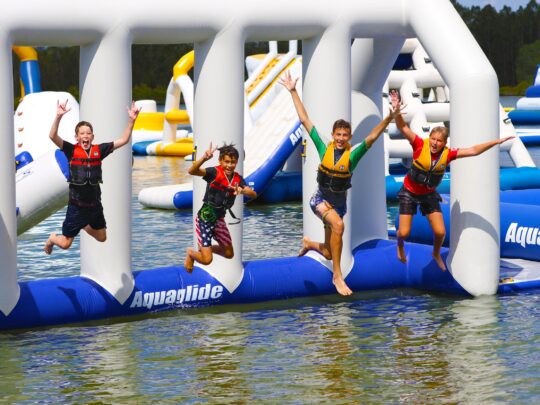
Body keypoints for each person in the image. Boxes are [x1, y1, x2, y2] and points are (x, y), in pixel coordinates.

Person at [279, 71, 401, 296]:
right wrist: (293, 91)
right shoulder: (323, 147)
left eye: (345, 135)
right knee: (339, 226)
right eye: (338, 134)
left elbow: (373, 137)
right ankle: (337, 276)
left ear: (350, 137)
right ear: (333, 135)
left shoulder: (353, 155)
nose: (341, 138)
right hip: (319, 200)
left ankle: (310, 244)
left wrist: (390, 117)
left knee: (327, 251)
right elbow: (305, 120)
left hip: (339, 206)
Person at [390, 90, 514, 270]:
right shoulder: (419, 144)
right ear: (429, 138)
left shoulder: (448, 154)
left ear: (444, 142)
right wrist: (397, 112)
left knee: (440, 232)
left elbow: (473, 151)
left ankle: (436, 253)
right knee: (404, 232)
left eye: (439, 141)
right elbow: (403, 128)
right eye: (433, 139)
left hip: (429, 195)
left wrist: (496, 142)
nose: (434, 143)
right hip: (409, 193)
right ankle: (399, 245)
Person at [44, 100, 141, 254]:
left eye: (88, 133)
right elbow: (52, 136)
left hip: (94, 204)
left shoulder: (100, 150)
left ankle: (84, 224)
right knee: (65, 244)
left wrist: (131, 120)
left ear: (93, 136)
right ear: (76, 137)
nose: (85, 136)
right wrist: (58, 116)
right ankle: (51, 238)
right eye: (82, 133)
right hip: (76, 206)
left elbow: (123, 140)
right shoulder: (71, 149)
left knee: (102, 237)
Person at [184, 143, 257, 272]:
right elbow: (191, 171)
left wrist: (242, 190)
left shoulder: (237, 179)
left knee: (229, 253)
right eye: (226, 161)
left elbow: (253, 194)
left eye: (233, 162)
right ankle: (191, 253)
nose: (229, 165)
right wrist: (204, 159)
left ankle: (207, 249)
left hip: (219, 219)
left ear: (237, 162)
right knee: (207, 260)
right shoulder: (214, 172)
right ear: (220, 161)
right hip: (205, 218)